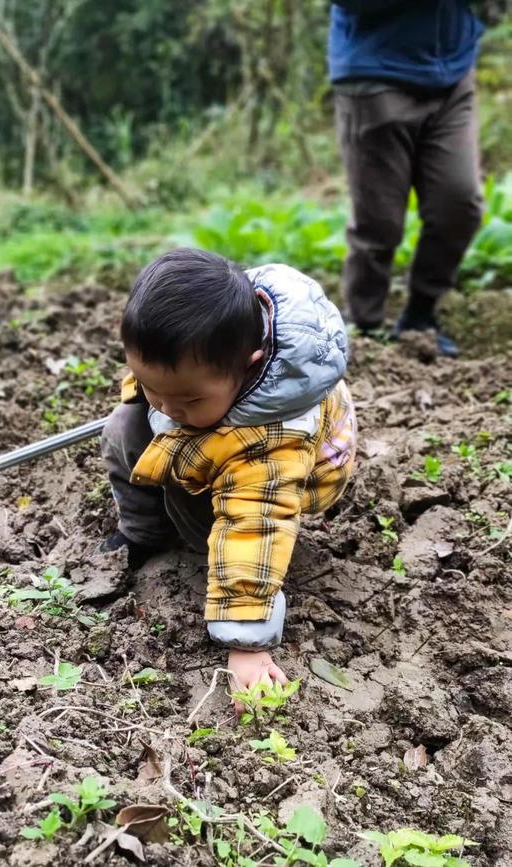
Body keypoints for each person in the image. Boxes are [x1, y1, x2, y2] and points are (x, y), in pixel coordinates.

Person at [100, 248, 356, 695]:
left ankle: (206, 551)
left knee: (193, 483)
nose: (167, 406)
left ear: (249, 365)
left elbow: (255, 521)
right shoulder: (205, 344)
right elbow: (166, 384)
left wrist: (247, 644)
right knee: (124, 425)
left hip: (302, 473)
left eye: (188, 399)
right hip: (228, 426)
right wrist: (159, 399)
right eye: (152, 386)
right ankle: (143, 532)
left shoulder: (276, 437)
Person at [329, 0, 485, 357]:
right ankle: (365, 328)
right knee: (379, 223)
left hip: (452, 70)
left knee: (459, 204)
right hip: (376, 74)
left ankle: (420, 316)